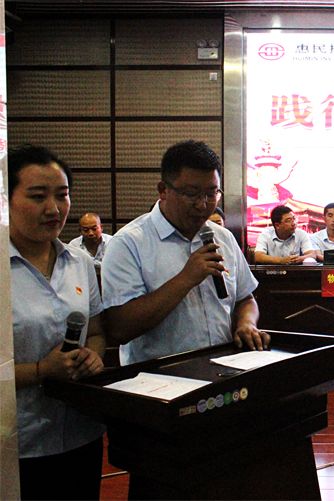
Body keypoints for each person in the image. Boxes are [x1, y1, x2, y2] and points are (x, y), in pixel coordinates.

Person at [102, 140, 267, 366]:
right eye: (191, 194)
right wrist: (186, 278)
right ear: (163, 190)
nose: (202, 205)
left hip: (223, 370)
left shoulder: (223, 237)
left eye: (212, 193)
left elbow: (245, 298)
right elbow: (120, 328)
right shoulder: (128, 243)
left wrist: (246, 324)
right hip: (158, 378)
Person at [9, 145, 106, 500]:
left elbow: (96, 331)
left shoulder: (80, 263)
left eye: (62, 195)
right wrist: (40, 371)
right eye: (38, 196)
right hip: (18, 443)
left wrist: (94, 355)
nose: (53, 208)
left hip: (81, 432)